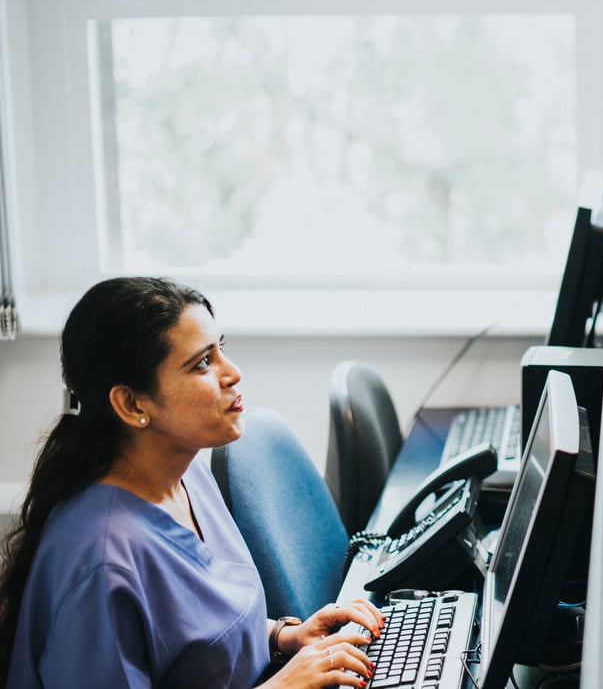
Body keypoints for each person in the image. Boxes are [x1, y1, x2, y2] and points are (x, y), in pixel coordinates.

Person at [0, 277, 384, 688]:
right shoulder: (101, 563)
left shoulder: (188, 473)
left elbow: (196, 635)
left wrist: (282, 637)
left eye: (223, 349)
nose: (232, 373)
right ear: (131, 404)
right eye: (202, 363)